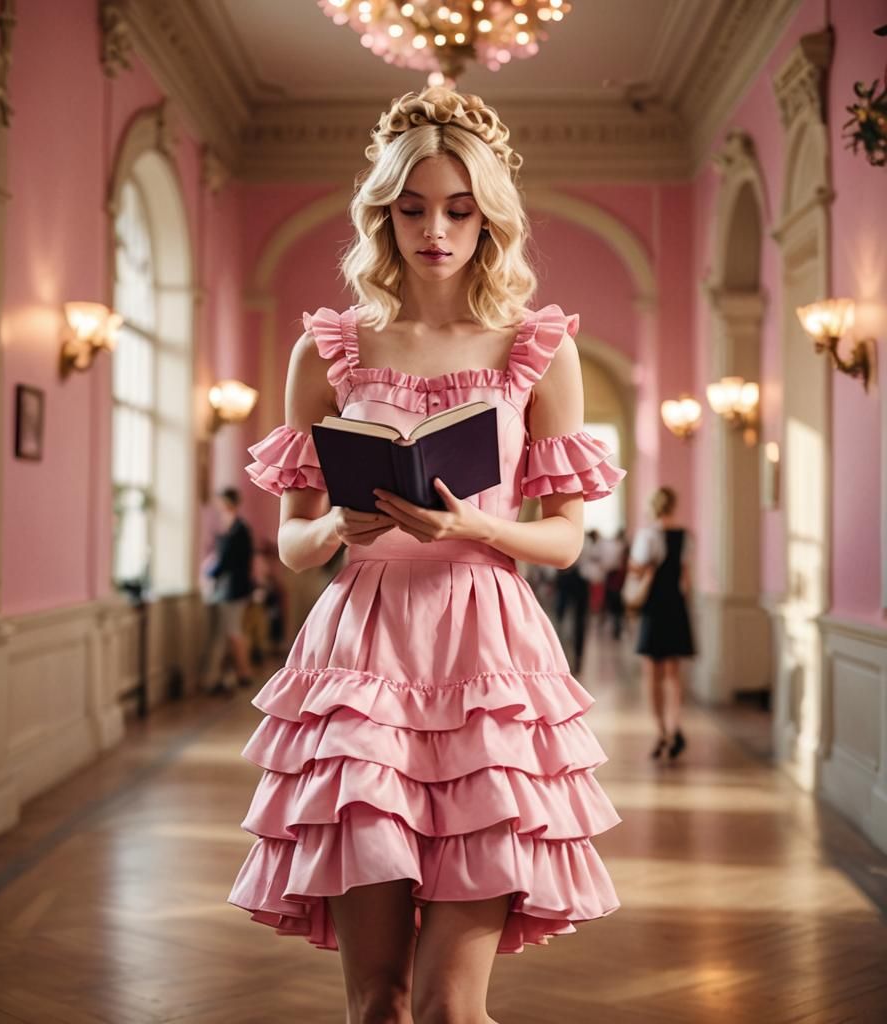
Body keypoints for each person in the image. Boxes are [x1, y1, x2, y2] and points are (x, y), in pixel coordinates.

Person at [227, 86, 626, 1022]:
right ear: (381, 213)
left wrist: (475, 526)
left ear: (489, 216)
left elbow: (565, 538)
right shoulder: (328, 350)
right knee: (377, 1001)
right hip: (361, 658)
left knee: (451, 1007)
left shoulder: (537, 348)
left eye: (458, 209)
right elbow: (291, 540)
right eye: (411, 209)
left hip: (486, 653)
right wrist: (339, 528)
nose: (434, 230)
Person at [627, 486, 695, 761]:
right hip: (675, 606)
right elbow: (686, 580)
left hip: (654, 607)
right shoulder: (686, 537)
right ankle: (675, 725)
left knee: (652, 673)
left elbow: (637, 568)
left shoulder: (648, 536)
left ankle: (661, 732)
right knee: (673, 674)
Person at [199, 486, 255, 696]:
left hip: (233, 588)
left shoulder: (238, 529)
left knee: (233, 630)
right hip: (232, 586)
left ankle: (244, 673)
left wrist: (210, 573)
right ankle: (227, 674)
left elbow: (227, 560)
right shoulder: (234, 527)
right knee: (228, 631)